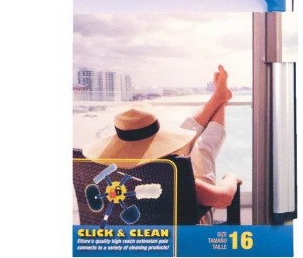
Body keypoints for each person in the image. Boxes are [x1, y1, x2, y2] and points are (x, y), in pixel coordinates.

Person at [83, 65, 242, 221]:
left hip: (131, 234)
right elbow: (224, 198)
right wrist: (231, 177)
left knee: (188, 133)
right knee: (202, 150)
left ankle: (219, 97)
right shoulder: (174, 178)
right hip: (189, 232)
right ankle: (221, 99)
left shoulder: (107, 173)